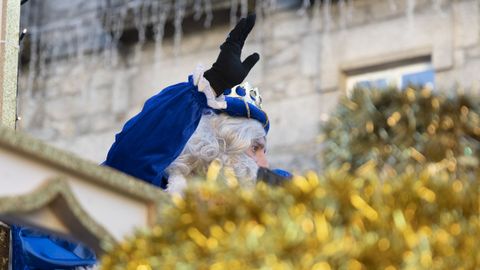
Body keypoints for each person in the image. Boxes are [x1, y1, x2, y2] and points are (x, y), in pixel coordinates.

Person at [104, 14, 291, 194]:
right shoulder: (157, 186)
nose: (265, 164)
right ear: (214, 144)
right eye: (255, 148)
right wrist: (212, 84)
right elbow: (132, 159)